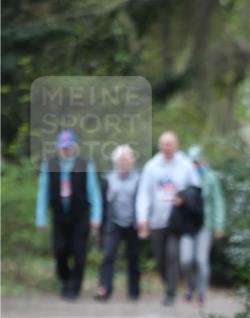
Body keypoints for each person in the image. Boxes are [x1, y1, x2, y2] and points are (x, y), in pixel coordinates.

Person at [35, 129, 102, 300]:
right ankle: (65, 280)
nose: (66, 150)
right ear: (58, 148)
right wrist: (41, 217)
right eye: (63, 147)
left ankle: (75, 287)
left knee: (79, 253)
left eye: (69, 147)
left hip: (80, 216)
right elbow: (43, 192)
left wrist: (96, 216)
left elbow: (94, 192)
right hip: (59, 216)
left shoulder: (85, 164)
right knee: (60, 252)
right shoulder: (49, 165)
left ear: (74, 146)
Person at [135, 131, 199, 305]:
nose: (166, 148)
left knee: (172, 254)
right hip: (156, 219)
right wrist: (142, 217)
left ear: (176, 145)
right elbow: (144, 194)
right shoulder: (151, 166)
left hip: (176, 220)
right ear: (159, 146)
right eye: (164, 144)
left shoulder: (185, 165)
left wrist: (184, 198)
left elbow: (195, 189)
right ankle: (168, 282)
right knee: (160, 259)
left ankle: (171, 292)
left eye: (170, 144)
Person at [180, 145, 226, 306]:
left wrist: (218, 225)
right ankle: (191, 285)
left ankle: (201, 293)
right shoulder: (184, 178)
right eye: (192, 162)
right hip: (188, 226)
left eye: (197, 162)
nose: (195, 165)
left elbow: (218, 202)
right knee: (186, 260)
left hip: (205, 225)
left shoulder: (210, 177)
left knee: (201, 260)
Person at [95, 145, 141, 302]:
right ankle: (104, 288)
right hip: (113, 223)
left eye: (128, 159)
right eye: (122, 160)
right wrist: (101, 228)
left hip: (133, 223)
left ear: (133, 161)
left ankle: (134, 291)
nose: (125, 163)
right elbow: (102, 204)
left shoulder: (139, 178)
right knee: (108, 255)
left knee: (133, 257)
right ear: (116, 162)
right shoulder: (109, 179)